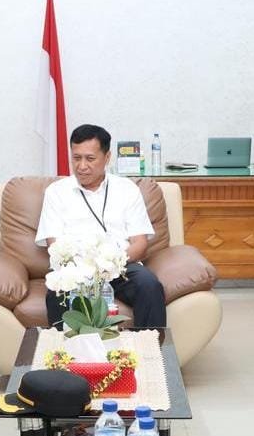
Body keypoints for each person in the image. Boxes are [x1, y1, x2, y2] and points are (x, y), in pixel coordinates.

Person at [39, 124, 166, 330]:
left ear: (107, 157)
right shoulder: (56, 192)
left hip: (120, 267)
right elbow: (54, 245)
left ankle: (150, 347)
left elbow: (140, 244)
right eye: (76, 158)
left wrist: (111, 263)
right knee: (57, 293)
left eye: (90, 159)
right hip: (75, 270)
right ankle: (63, 350)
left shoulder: (127, 189)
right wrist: (83, 267)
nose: (81, 166)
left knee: (149, 285)